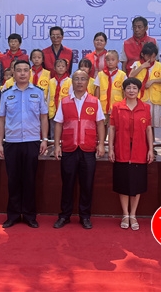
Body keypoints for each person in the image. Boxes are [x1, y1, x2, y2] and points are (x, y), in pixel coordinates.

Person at [0, 60, 49, 229]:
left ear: (30, 72)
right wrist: (0, 143)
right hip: (12, 142)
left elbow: (43, 117)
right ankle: (12, 215)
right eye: (18, 70)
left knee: (29, 179)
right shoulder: (6, 93)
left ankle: (29, 215)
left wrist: (44, 139)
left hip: (31, 141)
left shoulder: (38, 93)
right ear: (13, 72)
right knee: (13, 180)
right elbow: (1, 120)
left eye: (25, 70)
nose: (22, 73)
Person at [52, 69, 106, 230]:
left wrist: (101, 144)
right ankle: (64, 215)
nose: (80, 82)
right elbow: (59, 124)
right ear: (72, 82)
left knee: (87, 184)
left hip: (88, 148)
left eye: (83, 79)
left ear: (88, 82)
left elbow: (100, 123)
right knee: (67, 183)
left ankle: (85, 216)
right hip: (69, 148)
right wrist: (57, 145)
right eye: (77, 79)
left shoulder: (95, 101)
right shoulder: (64, 101)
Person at [108, 78, 154, 230]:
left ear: (139, 90)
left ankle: (133, 214)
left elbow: (148, 129)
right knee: (123, 183)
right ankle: (125, 214)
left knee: (137, 184)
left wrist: (150, 149)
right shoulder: (117, 107)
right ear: (124, 90)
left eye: (134, 88)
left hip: (139, 150)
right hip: (122, 149)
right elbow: (112, 128)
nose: (131, 90)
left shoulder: (146, 107)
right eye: (128, 88)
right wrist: (111, 148)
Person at [129, 42, 161, 129]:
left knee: (151, 124)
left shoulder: (158, 65)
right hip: (141, 98)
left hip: (154, 98)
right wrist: (142, 66)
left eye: (153, 57)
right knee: (141, 122)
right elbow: (131, 76)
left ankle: (151, 138)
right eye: (149, 56)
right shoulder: (137, 64)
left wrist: (153, 81)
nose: (151, 59)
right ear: (143, 54)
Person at [94, 50, 126, 122]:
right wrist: (96, 103)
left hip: (117, 105)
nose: (110, 62)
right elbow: (97, 89)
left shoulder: (122, 75)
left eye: (113, 60)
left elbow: (124, 91)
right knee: (102, 124)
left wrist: (124, 104)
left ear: (118, 61)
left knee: (115, 124)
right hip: (103, 106)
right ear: (105, 61)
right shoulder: (100, 74)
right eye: (108, 60)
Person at [48, 59, 72, 124]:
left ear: (66, 68)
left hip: (65, 110)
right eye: (58, 66)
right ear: (54, 68)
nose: (61, 68)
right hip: (53, 111)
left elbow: (71, 97)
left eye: (63, 66)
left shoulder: (70, 81)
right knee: (53, 128)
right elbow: (48, 97)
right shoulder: (51, 81)